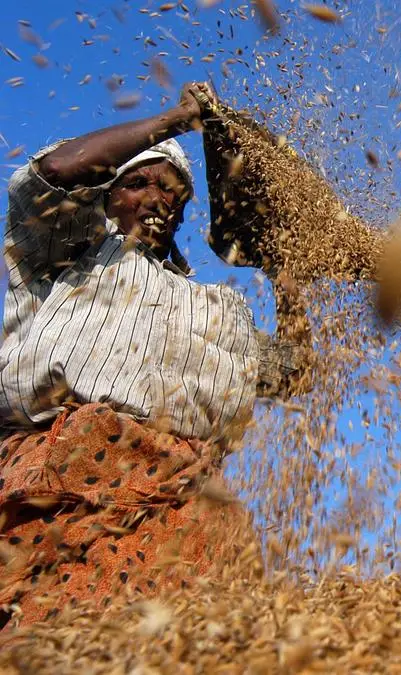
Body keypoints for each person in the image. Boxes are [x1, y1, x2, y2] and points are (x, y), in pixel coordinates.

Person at [0, 82, 311, 631]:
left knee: (186, 646)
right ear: (106, 194)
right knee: (54, 634)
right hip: (70, 485)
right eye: (138, 183)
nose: (156, 200)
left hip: (185, 505)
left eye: (173, 193)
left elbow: (293, 373)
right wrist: (180, 120)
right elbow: (57, 170)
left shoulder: (217, 307)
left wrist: (286, 275)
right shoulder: (71, 252)